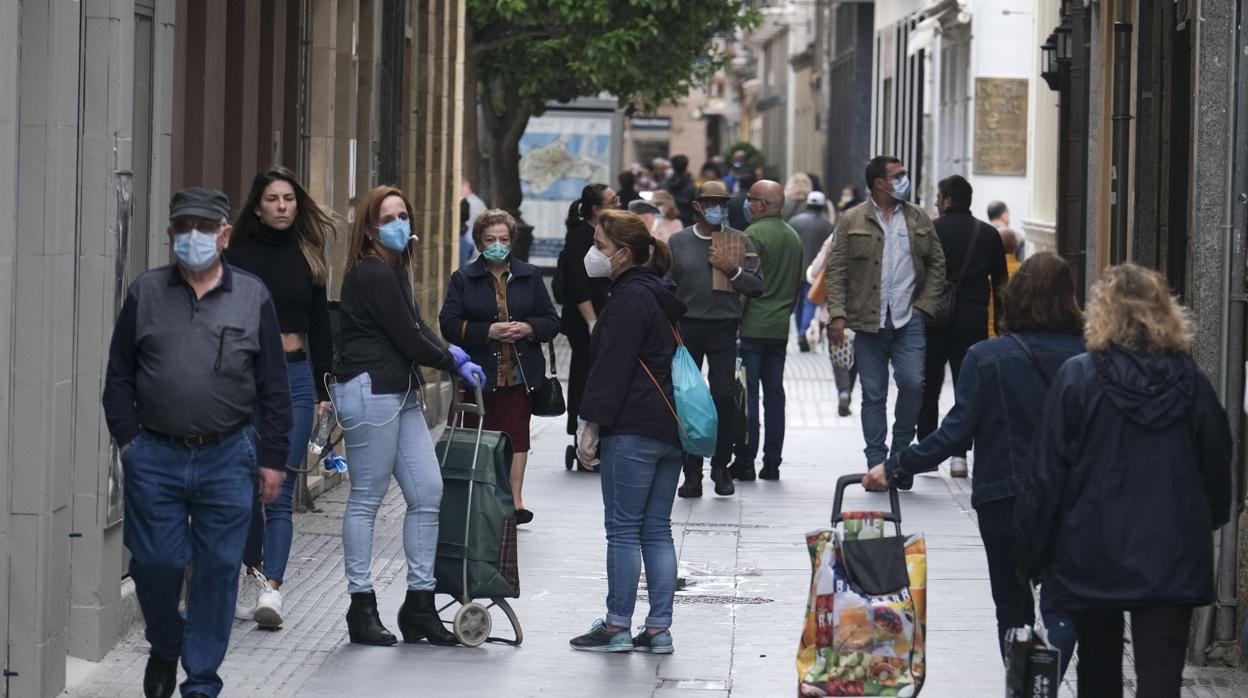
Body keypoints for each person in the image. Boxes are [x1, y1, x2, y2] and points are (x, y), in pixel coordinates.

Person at [102, 187, 292, 698]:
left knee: (218, 570)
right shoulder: (146, 293)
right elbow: (119, 374)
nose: (193, 237)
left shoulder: (253, 296)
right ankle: (166, 643)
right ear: (170, 236)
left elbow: (274, 385)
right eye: (183, 227)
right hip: (155, 455)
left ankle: (202, 682)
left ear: (224, 235)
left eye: (203, 228)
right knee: (154, 562)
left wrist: (273, 460)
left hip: (229, 455)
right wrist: (128, 442)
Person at [1014, 264, 1231, 697]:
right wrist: (1200, 522)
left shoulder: (1078, 378)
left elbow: (1046, 474)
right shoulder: (1193, 383)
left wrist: (1032, 550)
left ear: (1102, 313)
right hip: (1170, 550)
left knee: (1097, 672)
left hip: (1092, 549)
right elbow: (1218, 467)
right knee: (1161, 676)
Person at [863, 252, 1083, 675]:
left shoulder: (986, 357)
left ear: (1014, 297)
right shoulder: (1089, 356)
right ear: (1069, 299)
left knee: (1012, 606)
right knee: (1063, 601)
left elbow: (954, 433)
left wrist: (896, 466)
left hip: (1004, 497)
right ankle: (1047, 677)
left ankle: (1023, 682)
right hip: (1070, 500)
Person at [333, 185, 485, 647]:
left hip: (396, 391)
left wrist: (448, 349)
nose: (401, 224)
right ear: (370, 229)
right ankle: (361, 606)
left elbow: (417, 327)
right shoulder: (373, 274)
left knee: (428, 492)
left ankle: (419, 605)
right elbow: (408, 336)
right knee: (367, 498)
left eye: (405, 215)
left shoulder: (393, 270)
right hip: (370, 390)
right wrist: (452, 360)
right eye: (390, 217)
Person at [569, 209, 685, 654]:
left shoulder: (626, 301)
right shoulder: (660, 294)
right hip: (669, 427)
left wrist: (590, 426)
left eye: (599, 245)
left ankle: (617, 624)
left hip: (632, 428)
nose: (593, 253)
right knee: (657, 529)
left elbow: (611, 370)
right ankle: (658, 629)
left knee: (622, 530)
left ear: (623, 253)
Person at [224, 167, 335, 630]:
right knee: (245, 484)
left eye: (289, 198)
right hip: (246, 377)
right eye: (273, 199)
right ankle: (242, 577)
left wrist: (325, 389)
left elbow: (322, 325)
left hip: (294, 377)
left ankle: (272, 589)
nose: (283, 206)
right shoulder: (237, 255)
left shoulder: (309, 256)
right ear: (258, 206)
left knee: (282, 489)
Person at [439, 209, 560, 524]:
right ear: (479, 241)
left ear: (512, 241)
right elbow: (449, 324)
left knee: (517, 436)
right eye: (490, 239)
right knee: (480, 433)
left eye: (503, 239)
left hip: (520, 373)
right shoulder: (464, 278)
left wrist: (528, 328)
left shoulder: (529, 276)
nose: (496, 244)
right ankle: (478, 496)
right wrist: (486, 331)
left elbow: (551, 321)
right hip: (480, 373)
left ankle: (514, 501)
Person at [826, 155, 946, 471]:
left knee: (913, 384)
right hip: (868, 322)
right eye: (899, 175)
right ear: (880, 183)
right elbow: (836, 270)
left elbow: (937, 264)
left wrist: (924, 306)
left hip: (910, 319)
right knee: (873, 394)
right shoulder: (850, 219)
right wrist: (837, 313)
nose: (905, 178)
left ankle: (900, 457)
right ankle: (877, 461)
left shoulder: (919, 218)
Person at [667, 181, 763, 498]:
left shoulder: (738, 240)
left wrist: (731, 269)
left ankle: (721, 466)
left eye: (722, 202)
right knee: (689, 401)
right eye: (710, 201)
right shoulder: (679, 241)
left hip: (724, 327)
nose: (717, 207)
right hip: (688, 328)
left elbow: (755, 286)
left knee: (723, 396)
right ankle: (691, 471)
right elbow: (667, 284)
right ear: (697, 205)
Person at [917, 175, 1008, 478]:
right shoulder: (989, 234)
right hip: (973, 317)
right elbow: (1000, 284)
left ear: (948, 200)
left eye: (938, 196)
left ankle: (928, 451)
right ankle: (960, 455)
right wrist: (1001, 325)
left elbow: (916, 274)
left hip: (935, 317)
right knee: (966, 385)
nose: (935, 202)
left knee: (929, 385)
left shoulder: (931, 230)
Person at [731, 180, 804, 482]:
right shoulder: (793, 237)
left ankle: (746, 459)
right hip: (778, 328)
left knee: (748, 396)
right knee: (775, 396)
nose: (746, 204)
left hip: (751, 327)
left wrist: (735, 320)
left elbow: (746, 285)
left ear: (763, 205)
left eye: (750, 199)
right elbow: (797, 285)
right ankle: (772, 461)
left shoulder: (752, 235)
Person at [558, 184, 618, 464]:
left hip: (604, 316)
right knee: (584, 375)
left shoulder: (607, 233)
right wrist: (592, 321)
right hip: (585, 322)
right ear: (596, 208)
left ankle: (599, 432)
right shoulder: (581, 236)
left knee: (604, 375)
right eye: (612, 200)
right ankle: (582, 435)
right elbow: (577, 283)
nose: (618, 203)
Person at [807, 232, 857, 415]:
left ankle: (843, 391)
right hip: (861, 309)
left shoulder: (834, 237)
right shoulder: (874, 234)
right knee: (853, 354)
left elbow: (814, 271)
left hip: (834, 309)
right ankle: (847, 392)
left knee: (839, 353)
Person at [789, 191, 834, 352]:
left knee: (797, 304)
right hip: (815, 272)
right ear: (822, 206)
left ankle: (801, 333)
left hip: (795, 269)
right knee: (810, 302)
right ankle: (804, 333)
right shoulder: (827, 225)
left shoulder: (793, 221)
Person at [987, 228, 1023, 339]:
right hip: (1017, 338)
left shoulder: (987, 273)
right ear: (1016, 246)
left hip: (990, 334)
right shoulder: (1025, 273)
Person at [459, 178, 487, 269]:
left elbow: (469, 230)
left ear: (466, 186)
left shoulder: (472, 203)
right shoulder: (475, 201)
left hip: (473, 252)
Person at [663, 154, 699, 226]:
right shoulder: (691, 187)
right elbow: (697, 208)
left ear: (672, 166)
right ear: (686, 166)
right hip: (686, 223)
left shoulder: (665, 184)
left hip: (668, 223)